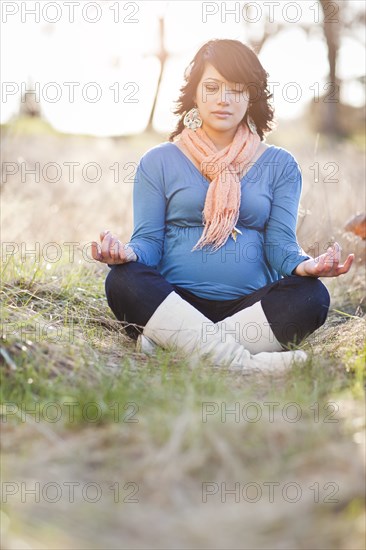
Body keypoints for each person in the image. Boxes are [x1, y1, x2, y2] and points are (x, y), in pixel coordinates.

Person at [92, 39, 354, 373]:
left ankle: (170, 348)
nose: (223, 99)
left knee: (312, 296)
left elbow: (280, 246)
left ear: (251, 96)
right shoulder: (159, 161)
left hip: (251, 309)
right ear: (194, 93)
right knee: (123, 280)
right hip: (172, 303)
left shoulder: (280, 164)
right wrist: (127, 255)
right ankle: (245, 363)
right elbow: (148, 243)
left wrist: (306, 265)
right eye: (212, 87)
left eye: (236, 89)